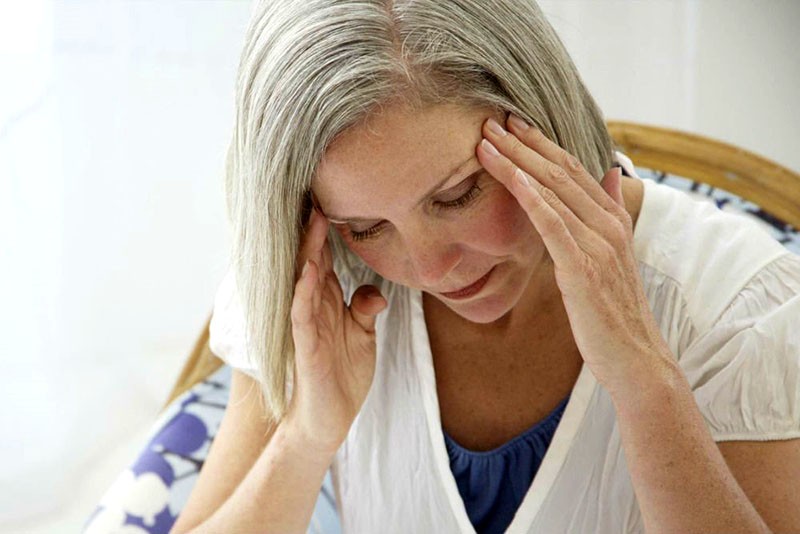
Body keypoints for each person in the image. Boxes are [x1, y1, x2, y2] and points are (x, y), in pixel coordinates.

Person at [170, 1, 800, 533]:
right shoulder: (318, 295)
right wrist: (307, 436)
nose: (429, 268)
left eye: (459, 195)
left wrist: (645, 381)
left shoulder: (741, 310)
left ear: (544, 115)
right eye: (365, 227)